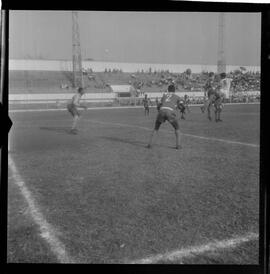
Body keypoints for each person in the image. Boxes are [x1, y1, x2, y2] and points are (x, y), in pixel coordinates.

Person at [147, 84, 182, 149]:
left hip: (161, 111)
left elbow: (158, 106)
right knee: (177, 128)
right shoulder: (176, 96)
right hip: (170, 112)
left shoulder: (164, 96)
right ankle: (178, 145)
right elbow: (181, 105)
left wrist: (160, 113)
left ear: (168, 90)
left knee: (156, 128)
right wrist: (179, 108)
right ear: (174, 90)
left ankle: (150, 144)